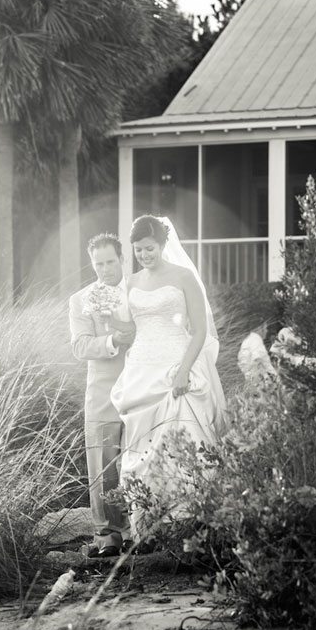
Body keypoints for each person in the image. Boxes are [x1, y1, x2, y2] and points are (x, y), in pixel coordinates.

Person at [109, 215, 227, 543]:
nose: (144, 255)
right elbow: (128, 328)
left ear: (162, 245)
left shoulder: (183, 276)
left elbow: (200, 329)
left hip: (177, 366)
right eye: (138, 250)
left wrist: (185, 369)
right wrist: (107, 317)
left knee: (188, 440)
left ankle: (194, 531)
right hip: (141, 369)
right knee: (140, 448)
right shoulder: (130, 283)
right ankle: (147, 532)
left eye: (149, 248)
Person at [68, 233, 134, 557]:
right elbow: (80, 345)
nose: (105, 269)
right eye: (98, 264)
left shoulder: (139, 291)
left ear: (122, 259)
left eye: (110, 261)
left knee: (137, 457)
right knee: (104, 462)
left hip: (140, 385)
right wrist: (112, 341)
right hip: (104, 389)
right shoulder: (81, 299)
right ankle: (107, 535)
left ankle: (138, 528)